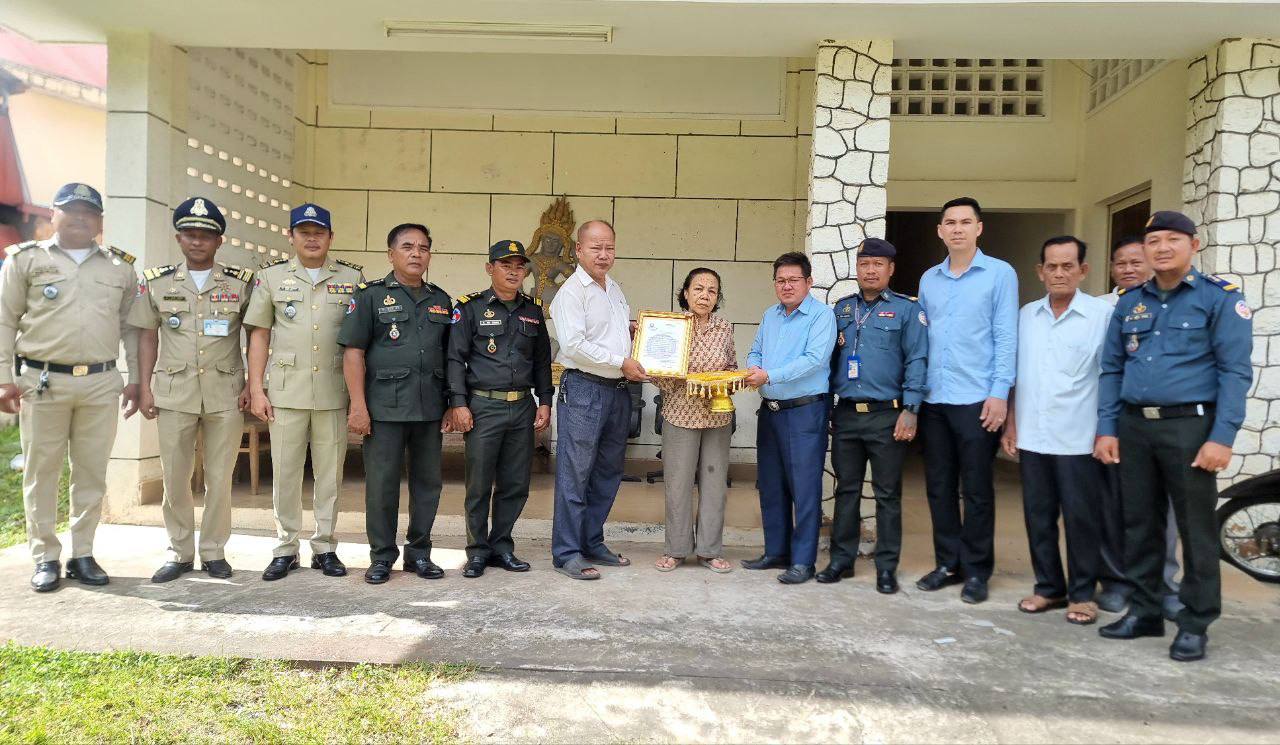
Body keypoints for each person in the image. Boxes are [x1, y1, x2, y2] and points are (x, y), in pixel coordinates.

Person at [1095, 210, 1253, 662]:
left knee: (1195, 528)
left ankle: (1195, 622)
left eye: (1172, 239)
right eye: (1154, 241)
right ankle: (1144, 611)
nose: (1162, 248)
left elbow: (1235, 372)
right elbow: (1112, 368)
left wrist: (1222, 437)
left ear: (1193, 245)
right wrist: (1107, 428)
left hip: (1191, 428)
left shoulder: (1219, 298)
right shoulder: (1130, 302)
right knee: (1139, 525)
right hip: (1135, 425)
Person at [0, 183, 140, 592]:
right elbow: (5, 320)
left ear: (100, 221)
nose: (80, 217)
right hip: (43, 382)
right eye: (71, 209)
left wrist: (135, 379)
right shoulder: (25, 260)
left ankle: (82, 553)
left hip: (100, 382)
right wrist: (3, 378)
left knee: (91, 471)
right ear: (53, 215)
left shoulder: (119, 267)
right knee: (41, 472)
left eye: (89, 212)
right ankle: (45, 556)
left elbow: (132, 328)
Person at [130, 197, 254, 583]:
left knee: (220, 477)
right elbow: (147, 336)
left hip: (225, 392)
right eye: (190, 234)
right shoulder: (157, 282)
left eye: (205, 235)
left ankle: (214, 550)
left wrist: (254, 384)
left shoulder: (240, 283)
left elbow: (257, 334)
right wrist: (145, 387)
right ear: (178, 239)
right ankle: (180, 551)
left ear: (219, 241)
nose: (197, 241)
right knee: (175, 476)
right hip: (174, 391)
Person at [244, 203, 364, 581]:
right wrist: (256, 389)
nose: (312, 239)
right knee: (285, 474)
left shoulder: (352, 277)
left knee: (330, 476)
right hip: (285, 392)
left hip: (333, 391)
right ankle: (285, 548)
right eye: (304, 232)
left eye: (319, 233)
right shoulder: (271, 277)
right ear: (291, 236)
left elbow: (360, 340)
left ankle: (325, 546)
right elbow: (259, 335)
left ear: (330, 237)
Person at [1001, 236, 1111, 625]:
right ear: (1040, 271)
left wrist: (1107, 431)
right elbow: (1017, 375)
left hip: (1079, 437)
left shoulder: (1100, 316)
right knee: (1038, 516)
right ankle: (1048, 587)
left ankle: (1082, 594)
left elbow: (1111, 376)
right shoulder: (1026, 315)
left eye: (1068, 266)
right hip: (1033, 436)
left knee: (1081, 519)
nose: (1059, 273)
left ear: (1083, 270)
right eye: (1052, 266)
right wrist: (1011, 423)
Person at [915, 196, 1017, 605]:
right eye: (950, 223)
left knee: (976, 489)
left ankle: (976, 570)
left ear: (979, 228)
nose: (957, 229)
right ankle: (947, 563)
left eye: (965, 222)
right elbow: (922, 338)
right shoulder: (929, 279)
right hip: (934, 398)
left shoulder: (999, 274)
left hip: (977, 399)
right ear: (940, 230)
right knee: (939, 487)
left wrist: (1000, 393)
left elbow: (1006, 336)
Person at [339, 223, 452, 584]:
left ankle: (419, 554)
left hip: (429, 408)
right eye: (407, 246)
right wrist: (358, 406)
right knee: (382, 486)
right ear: (391, 254)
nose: (416, 253)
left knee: (428, 485)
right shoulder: (370, 296)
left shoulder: (441, 300)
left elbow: (451, 357)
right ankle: (382, 556)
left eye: (423, 247)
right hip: (384, 409)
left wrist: (453, 402)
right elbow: (353, 353)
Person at [820, 238, 927, 593]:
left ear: (890, 269)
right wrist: (828, 407)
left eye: (878, 264)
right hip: (847, 414)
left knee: (887, 495)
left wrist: (911, 409)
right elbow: (830, 362)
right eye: (864, 264)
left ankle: (886, 568)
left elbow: (917, 360)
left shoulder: (907, 310)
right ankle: (841, 560)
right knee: (846, 490)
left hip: (887, 416)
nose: (870, 270)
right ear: (857, 267)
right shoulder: (842, 309)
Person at [446, 240, 553, 578]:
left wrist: (545, 401)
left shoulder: (533, 311)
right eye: (505, 265)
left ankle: (502, 546)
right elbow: (455, 359)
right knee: (478, 485)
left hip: (522, 406)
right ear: (489, 268)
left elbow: (542, 361)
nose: (513, 272)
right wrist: (458, 403)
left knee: (515, 483)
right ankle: (477, 551)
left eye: (520, 266)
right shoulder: (470, 308)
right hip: (483, 406)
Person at [548, 220, 646, 580]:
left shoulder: (613, 288)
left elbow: (606, 334)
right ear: (579, 250)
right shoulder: (571, 293)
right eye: (596, 248)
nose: (604, 255)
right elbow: (574, 346)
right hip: (585, 390)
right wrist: (621, 360)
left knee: (607, 471)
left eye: (609, 248)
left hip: (618, 391)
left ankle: (591, 541)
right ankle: (566, 552)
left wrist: (631, 332)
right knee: (575, 473)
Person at [742, 251, 837, 585]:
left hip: (804, 413)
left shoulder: (822, 316)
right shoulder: (770, 315)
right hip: (770, 412)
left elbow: (814, 360)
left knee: (804, 488)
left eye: (793, 280)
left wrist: (769, 375)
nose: (786, 286)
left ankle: (803, 561)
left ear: (808, 282)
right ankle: (776, 552)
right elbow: (755, 349)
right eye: (780, 280)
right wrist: (754, 366)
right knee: (771, 485)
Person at [1100, 236, 1181, 618]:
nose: (1129, 269)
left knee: (1163, 510)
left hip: (1166, 423)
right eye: (1121, 263)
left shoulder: (1176, 304)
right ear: (1111, 268)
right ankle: (1116, 582)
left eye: (1136, 261)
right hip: (1117, 421)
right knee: (1114, 507)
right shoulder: (1101, 308)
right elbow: (1106, 369)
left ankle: (1163, 585)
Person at [652, 268, 737, 574]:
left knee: (714, 485)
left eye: (712, 291)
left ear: (717, 297)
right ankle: (676, 550)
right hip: (679, 414)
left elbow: (732, 366)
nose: (705, 295)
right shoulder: (670, 327)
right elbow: (657, 371)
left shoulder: (724, 328)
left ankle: (709, 551)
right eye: (698, 289)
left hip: (717, 417)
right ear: (686, 293)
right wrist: (675, 376)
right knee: (678, 484)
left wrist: (726, 381)